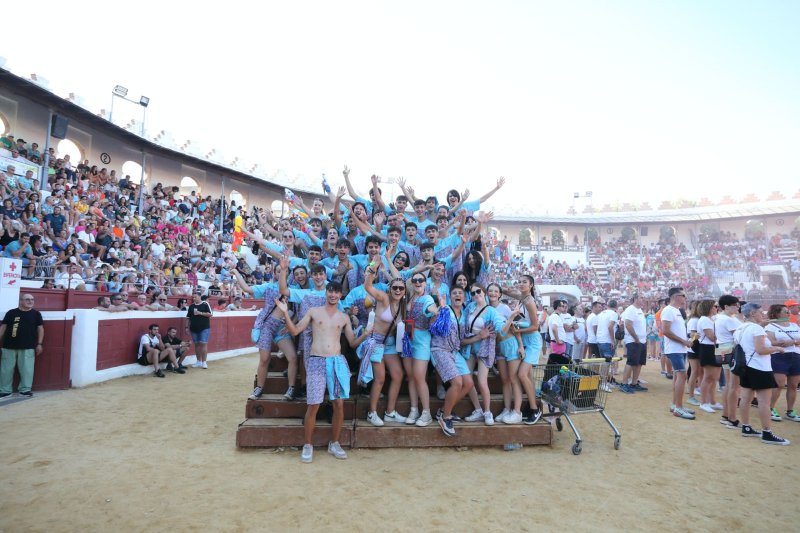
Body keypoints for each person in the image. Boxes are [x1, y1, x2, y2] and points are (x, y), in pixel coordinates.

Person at [275, 282, 369, 463]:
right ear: (326, 293)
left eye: (336, 292)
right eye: (330, 291)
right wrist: (285, 312)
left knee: (339, 405)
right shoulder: (313, 311)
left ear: (341, 295)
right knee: (313, 405)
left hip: (336, 361)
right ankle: (308, 444)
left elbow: (352, 343)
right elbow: (295, 331)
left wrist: (365, 334)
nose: (333, 294)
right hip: (317, 360)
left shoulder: (344, 317)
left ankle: (334, 443)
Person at [735, 303, 789, 445]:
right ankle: (767, 433)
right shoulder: (757, 329)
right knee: (764, 402)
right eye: (760, 312)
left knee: (745, 398)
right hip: (760, 368)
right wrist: (777, 348)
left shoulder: (740, 327)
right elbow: (761, 350)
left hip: (745, 367)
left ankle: (746, 427)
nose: (763, 315)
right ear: (752, 313)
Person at [430, 285, 475, 437]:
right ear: (450, 296)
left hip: (454, 352)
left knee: (468, 383)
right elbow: (433, 326)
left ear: (464, 297)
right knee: (457, 383)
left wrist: (480, 336)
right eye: (454, 293)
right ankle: (446, 416)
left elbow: (461, 339)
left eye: (460, 293)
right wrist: (440, 310)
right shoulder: (445, 309)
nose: (457, 295)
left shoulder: (464, 314)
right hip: (440, 350)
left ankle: (443, 410)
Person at [0, 294, 44, 397]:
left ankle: (25, 390)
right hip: (8, 346)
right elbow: (3, 328)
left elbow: (40, 329)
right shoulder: (11, 313)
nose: (30, 301)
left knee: (27, 370)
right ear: (21, 301)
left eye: (32, 299)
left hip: (28, 346)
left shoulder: (36, 314)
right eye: (27, 299)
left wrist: (40, 344)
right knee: (6, 370)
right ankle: (5, 390)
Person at [661, 287, 695, 420]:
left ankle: (676, 405)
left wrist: (687, 338)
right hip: (675, 349)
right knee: (682, 376)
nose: (685, 298)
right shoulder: (669, 310)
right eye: (683, 295)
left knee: (679, 376)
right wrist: (684, 341)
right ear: (675, 297)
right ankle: (678, 407)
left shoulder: (676, 311)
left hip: (679, 348)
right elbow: (666, 331)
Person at [764, 304, 800, 422]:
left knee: (793, 385)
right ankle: (770, 408)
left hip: (795, 356)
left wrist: (793, 341)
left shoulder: (794, 325)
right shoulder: (771, 326)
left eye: (788, 311)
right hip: (779, 356)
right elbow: (770, 342)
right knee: (778, 385)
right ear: (777, 313)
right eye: (785, 311)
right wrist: (784, 343)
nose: (789, 313)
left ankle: (790, 411)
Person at [715, 295, 742, 428]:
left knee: (729, 385)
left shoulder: (720, 317)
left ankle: (726, 415)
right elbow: (740, 335)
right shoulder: (729, 320)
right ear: (726, 306)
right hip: (732, 351)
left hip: (723, 350)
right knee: (734, 386)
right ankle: (731, 417)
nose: (738, 307)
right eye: (735, 305)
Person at [619, 293, 648, 394]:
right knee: (631, 362)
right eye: (641, 297)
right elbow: (628, 325)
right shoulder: (631, 309)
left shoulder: (639, 310)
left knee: (639, 363)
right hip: (634, 341)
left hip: (641, 341)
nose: (643, 299)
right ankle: (624, 383)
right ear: (635, 299)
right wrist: (636, 338)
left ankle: (634, 383)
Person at [696, 299, 722, 413]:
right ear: (709, 308)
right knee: (708, 377)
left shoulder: (711, 319)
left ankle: (712, 401)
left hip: (715, 348)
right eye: (715, 306)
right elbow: (711, 337)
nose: (717, 308)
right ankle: (704, 402)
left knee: (715, 378)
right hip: (708, 349)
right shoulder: (705, 320)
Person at [186, 292, 212, 369]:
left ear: (200, 296)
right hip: (194, 328)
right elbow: (188, 318)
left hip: (204, 327)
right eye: (193, 297)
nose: (194, 298)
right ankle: (198, 361)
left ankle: (204, 362)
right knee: (197, 344)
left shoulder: (205, 304)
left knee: (203, 344)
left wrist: (200, 313)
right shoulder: (191, 306)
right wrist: (186, 327)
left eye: (195, 297)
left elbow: (210, 314)